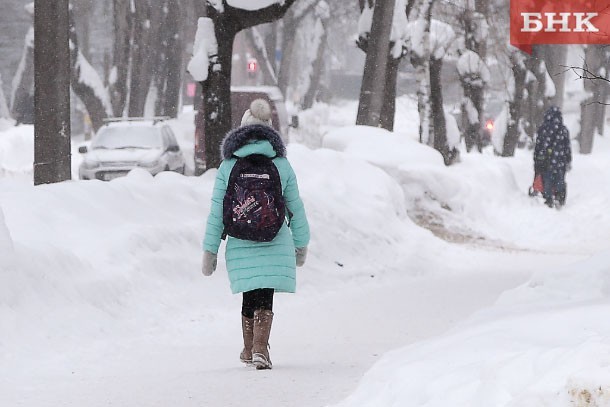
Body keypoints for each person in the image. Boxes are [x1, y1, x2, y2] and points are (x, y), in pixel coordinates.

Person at [201, 99, 310, 370]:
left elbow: (217, 213)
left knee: (250, 292)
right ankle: (261, 347)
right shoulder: (281, 164)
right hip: (275, 239)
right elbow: (296, 208)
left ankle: (250, 348)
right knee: (265, 293)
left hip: (240, 240)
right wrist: (301, 244)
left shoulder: (229, 166)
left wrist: (210, 250)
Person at [533, 106, 572, 208]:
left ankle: (548, 198)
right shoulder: (563, 130)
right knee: (559, 179)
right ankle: (559, 197)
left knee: (547, 178)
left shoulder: (543, 129)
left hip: (547, 160)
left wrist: (537, 159)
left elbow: (538, 146)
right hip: (560, 160)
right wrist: (568, 160)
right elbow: (567, 147)